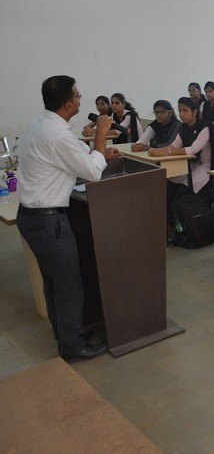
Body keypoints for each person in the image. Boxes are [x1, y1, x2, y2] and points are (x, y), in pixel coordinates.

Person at [17, 75, 120, 361]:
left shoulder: (43, 124)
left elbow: (73, 161)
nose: (80, 97)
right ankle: (72, 348)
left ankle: (66, 335)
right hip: (48, 221)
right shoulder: (58, 134)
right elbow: (91, 172)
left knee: (54, 282)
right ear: (66, 103)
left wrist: (102, 155)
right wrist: (101, 132)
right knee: (68, 285)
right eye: (76, 95)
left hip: (33, 218)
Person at [149, 97, 214, 205]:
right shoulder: (184, 127)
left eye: (185, 110)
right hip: (193, 163)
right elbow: (174, 145)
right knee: (169, 181)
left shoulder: (205, 126)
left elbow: (193, 149)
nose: (181, 114)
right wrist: (157, 151)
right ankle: (173, 218)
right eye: (180, 111)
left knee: (185, 188)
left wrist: (165, 152)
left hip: (209, 166)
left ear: (194, 112)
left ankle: (194, 214)